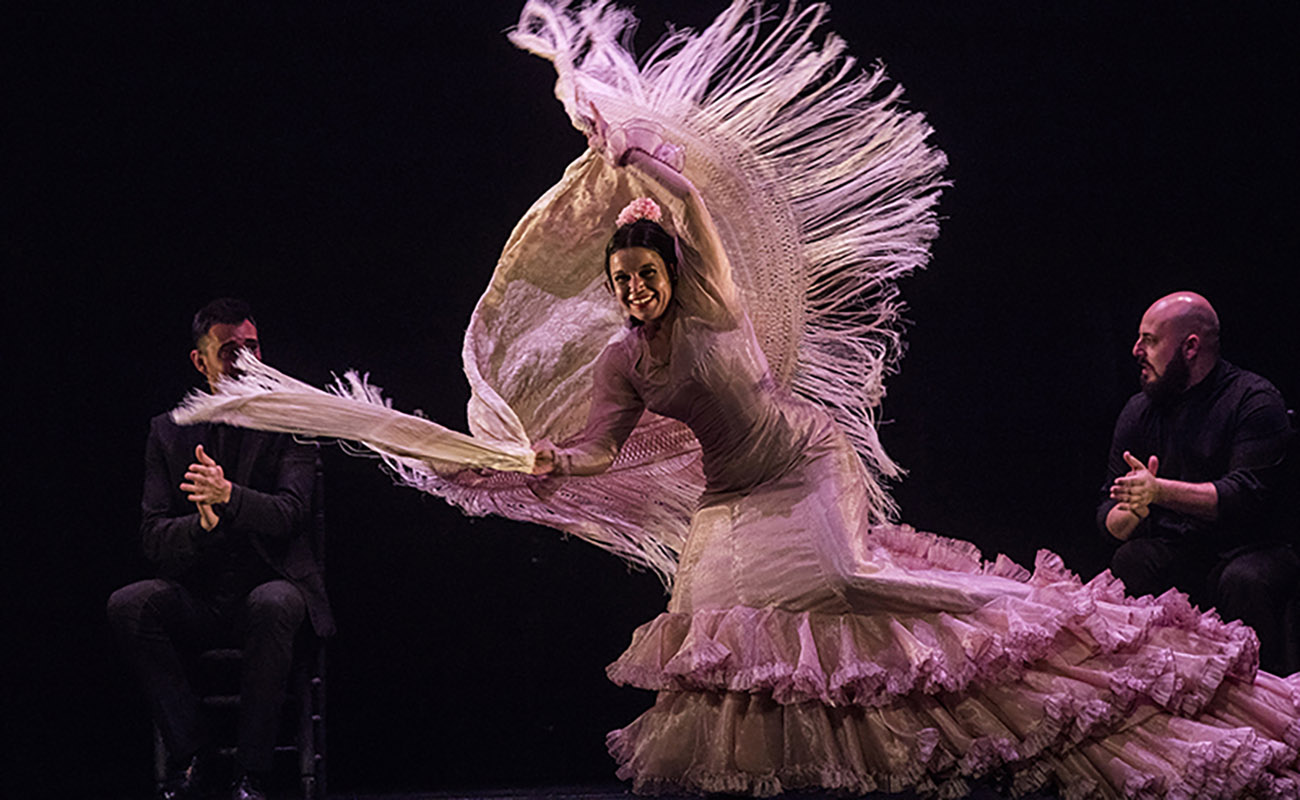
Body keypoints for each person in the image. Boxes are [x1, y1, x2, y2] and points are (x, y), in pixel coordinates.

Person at [173, 2, 1300, 796]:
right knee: (713, 639)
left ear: (667, 265)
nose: (633, 287)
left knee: (854, 579)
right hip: (730, 497)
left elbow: (690, 213)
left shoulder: (706, 292)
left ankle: (1042, 628)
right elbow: (596, 442)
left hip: (802, 465)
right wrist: (545, 464)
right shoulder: (627, 352)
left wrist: (626, 148)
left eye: (642, 270)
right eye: (621, 281)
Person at [108, 298, 334, 800]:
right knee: (130, 604)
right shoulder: (168, 432)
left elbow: (290, 513)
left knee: (271, 603)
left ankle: (251, 773)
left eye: (252, 346)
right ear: (200, 361)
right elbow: (153, 536)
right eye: (230, 350)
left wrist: (229, 497)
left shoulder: (289, 420)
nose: (246, 358)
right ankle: (193, 754)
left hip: (273, 585)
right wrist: (203, 524)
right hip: (203, 598)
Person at [1099, 291, 1296, 671]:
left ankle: (1262, 703)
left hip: (1251, 546)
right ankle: (1150, 686)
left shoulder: (1253, 399)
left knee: (1244, 581)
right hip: (1183, 546)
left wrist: (1158, 491)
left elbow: (1244, 496)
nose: (1136, 349)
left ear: (1190, 347)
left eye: (1150, 340)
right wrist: (1131, 511)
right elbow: (1107, 512)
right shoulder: (1139, 410)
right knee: (1132, 558)